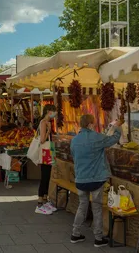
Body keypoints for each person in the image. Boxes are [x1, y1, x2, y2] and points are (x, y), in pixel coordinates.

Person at [70, 114, 123, 248]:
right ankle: (98, 238)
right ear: (89, 125)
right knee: (97, 208)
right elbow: (113, 140)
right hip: (96, 179)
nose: (94, 125)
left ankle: (75, 234)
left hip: (81, 179)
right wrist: (117, 127)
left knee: (82, 206)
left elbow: (74, 156)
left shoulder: (74, 140)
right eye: (93, 123)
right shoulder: (97, 137)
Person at [35, 104, 58, 215]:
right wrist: (49, 130)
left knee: (48, 175)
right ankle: (40, 201)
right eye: (54, 111)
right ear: (48, 111)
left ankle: (45, 199)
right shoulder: (43, 122)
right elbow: (43, 140)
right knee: (44, 176)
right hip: (45, 152)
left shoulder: (48, 122)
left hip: (50, 151)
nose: (55, 114)